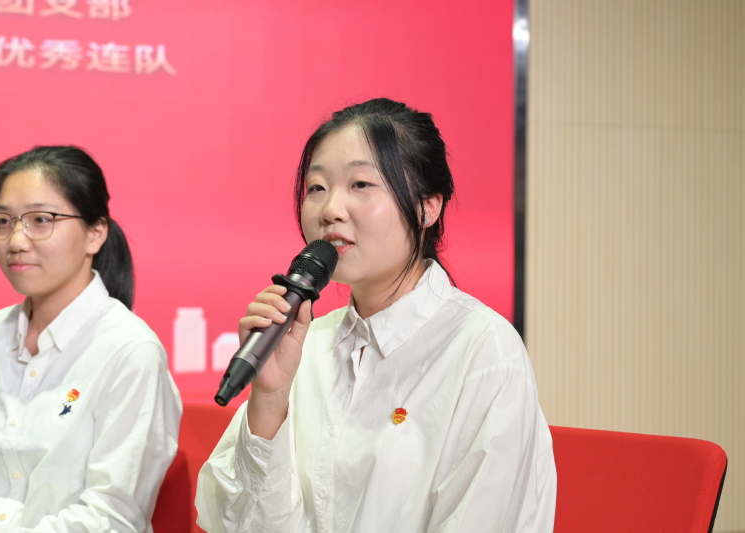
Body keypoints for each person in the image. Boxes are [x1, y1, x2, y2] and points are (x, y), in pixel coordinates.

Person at [195, 98, 556, 533]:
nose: (330, 209)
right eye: (317, 187)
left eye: (361, 184)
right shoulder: (305, 344)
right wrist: (270, 400)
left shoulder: (483, 352)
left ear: (427, 207)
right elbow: (229, 522)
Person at [0, 146, 182, 533]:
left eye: (40, 220)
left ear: (95, 233)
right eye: (3, 221)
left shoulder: (129, 351)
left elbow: (113, 515)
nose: (16, 240)